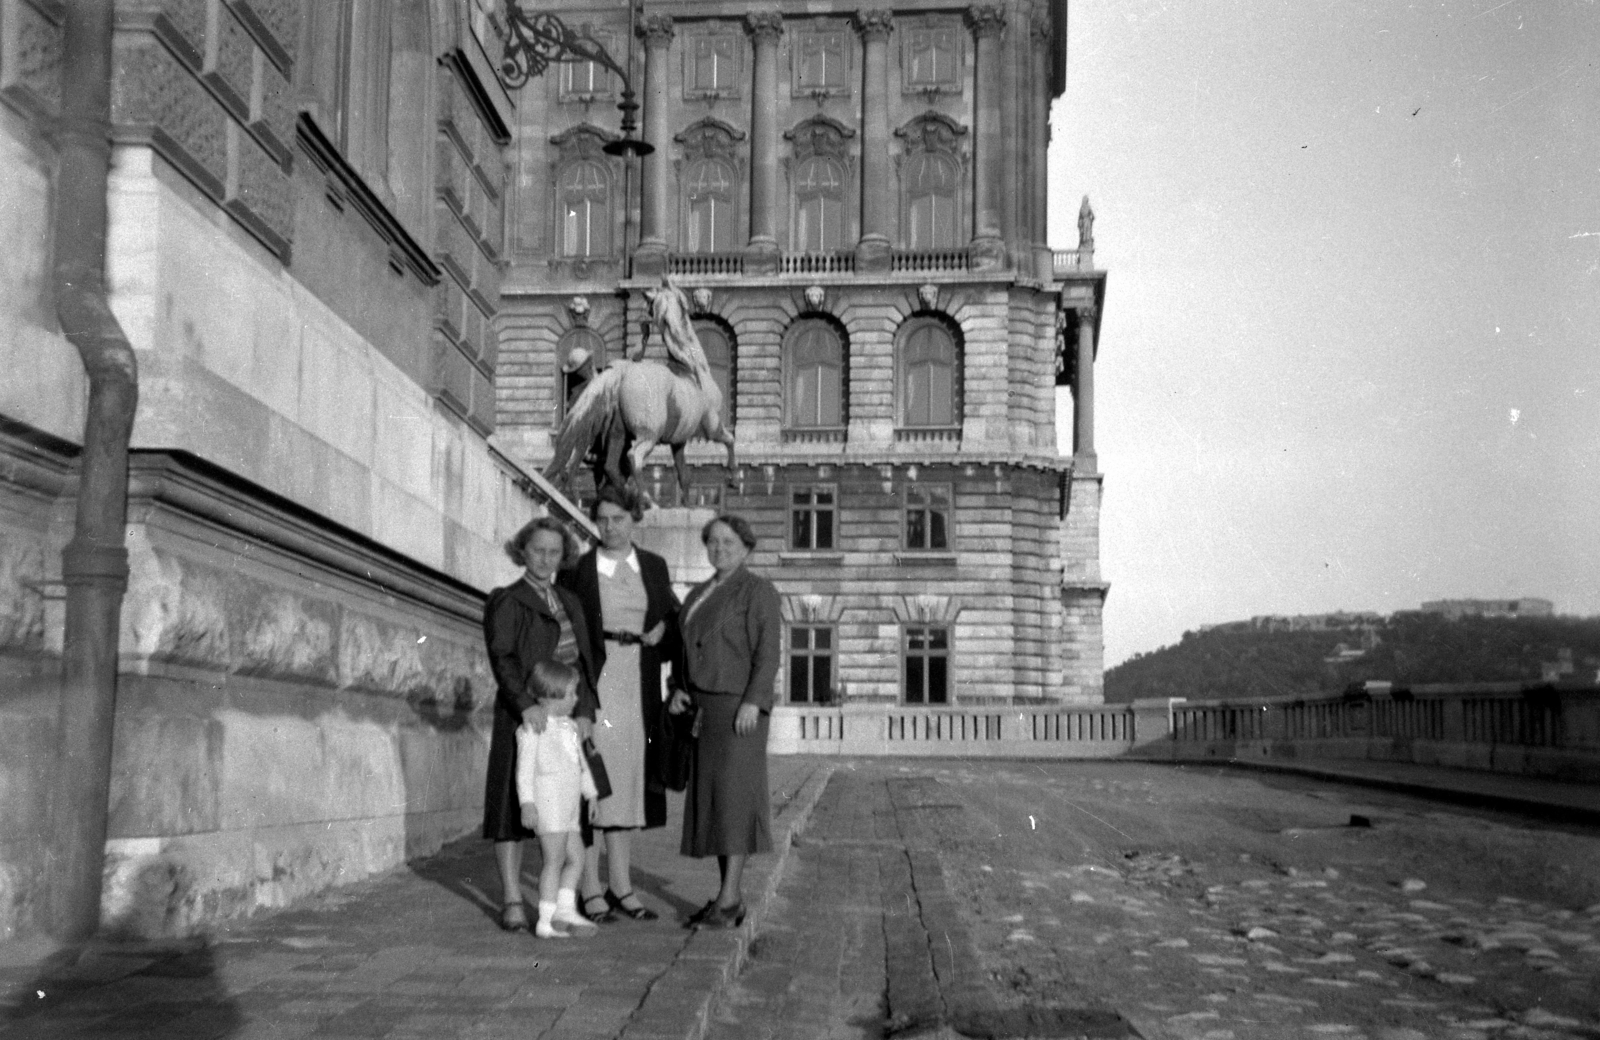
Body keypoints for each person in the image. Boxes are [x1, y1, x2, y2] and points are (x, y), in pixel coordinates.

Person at [559, 486, 681, 923]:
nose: (610, 527)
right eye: (603, 520)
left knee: (628, 786)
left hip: (638, 683)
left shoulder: (653, 565)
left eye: (619, 519)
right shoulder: (578, 568)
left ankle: (622, 887)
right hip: (594, 684)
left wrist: (663, 628)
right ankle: (590, 888)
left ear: (635, 520)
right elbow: (563, 625)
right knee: (593, 783)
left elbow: (673, 614)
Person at [482, 516, 600, 933]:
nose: (545, 559)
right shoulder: (508, 599)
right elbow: (504, 657)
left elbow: (585, 662)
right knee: (511, 807)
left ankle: (562, 904)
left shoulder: (570, 601)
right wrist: (523, 704)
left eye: (554, 552)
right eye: (537, 551)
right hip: (525, 716)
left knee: (564, 803)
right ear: (522, 552)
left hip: (565, 717)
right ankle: (513, 898)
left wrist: (584, 709)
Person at [667, 514, 781, 929]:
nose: (720, 549)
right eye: (713, 542)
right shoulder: (699, 592)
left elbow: (768, 654)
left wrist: (754, 701)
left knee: (735, 801)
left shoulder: (758, 591)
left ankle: (730, 898)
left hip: (739, 711)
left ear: (747, 548)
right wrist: (677, 687)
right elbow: (686, 649)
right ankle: (725, 895)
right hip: (703, 709)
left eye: (729, 542)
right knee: (715, 803)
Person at [515, 660, 601, 939]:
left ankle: (565, 910)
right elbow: (524, 770)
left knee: (576, 858)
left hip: (570, 806)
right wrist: (527, 802)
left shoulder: (571, 727)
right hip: (549, 803)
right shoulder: (532, 728)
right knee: (554, 859)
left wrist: (592, 795)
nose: (577, 699)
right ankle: (545, 919)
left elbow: (581, 764)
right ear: (551, 696)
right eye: (571, 694)